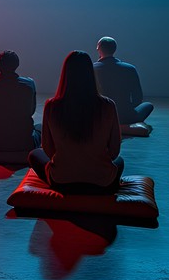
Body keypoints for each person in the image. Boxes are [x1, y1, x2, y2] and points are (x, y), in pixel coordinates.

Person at [29, 51, 124, 194]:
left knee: (34, 154)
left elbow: (48, 150)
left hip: (61, 181)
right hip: (102, 182)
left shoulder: (52, 106)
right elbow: (114, 151)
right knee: (120, 162)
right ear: (91, 74)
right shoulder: (108, 105)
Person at [93, 36, 153, 125]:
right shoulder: (130, 69)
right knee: (148, 105)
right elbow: (138, 96)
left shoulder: (91, 68)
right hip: (124, 117)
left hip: (100, 114)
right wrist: (127, 110)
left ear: (98, 48)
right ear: (114, 49)